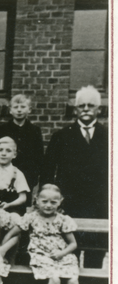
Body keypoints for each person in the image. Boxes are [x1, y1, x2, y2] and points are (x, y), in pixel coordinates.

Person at [13, 184, 93, 284]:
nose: (48, 205)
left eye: (53, 202)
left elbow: (73, 244)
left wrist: (61, 253)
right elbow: (15, 231)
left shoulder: (63, 219)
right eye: (44, 201)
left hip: (62, 253)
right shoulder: (31, 217)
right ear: (36, 200)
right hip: (40, 254)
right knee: (54, 278)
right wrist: (2, 246)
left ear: (60, 202)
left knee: (73, 279)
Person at [41, 85, 108, 219]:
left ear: (99, 109)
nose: (86, 109)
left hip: (102, 202)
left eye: (91, 105)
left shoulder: (109, 135)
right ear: (75, 109)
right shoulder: (61, 136)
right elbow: (47, 171)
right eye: (81, 106)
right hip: (70, 202)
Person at [0, 94, 44, 195]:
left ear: (29, 109)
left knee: (23, 203)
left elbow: (39, 155)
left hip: (27, 173)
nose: (19, 110)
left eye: (23, 107)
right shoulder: (1, 130)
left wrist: (34, 174)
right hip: (4, 172)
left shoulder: (35, 130)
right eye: (16, 107)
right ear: (10, 110)